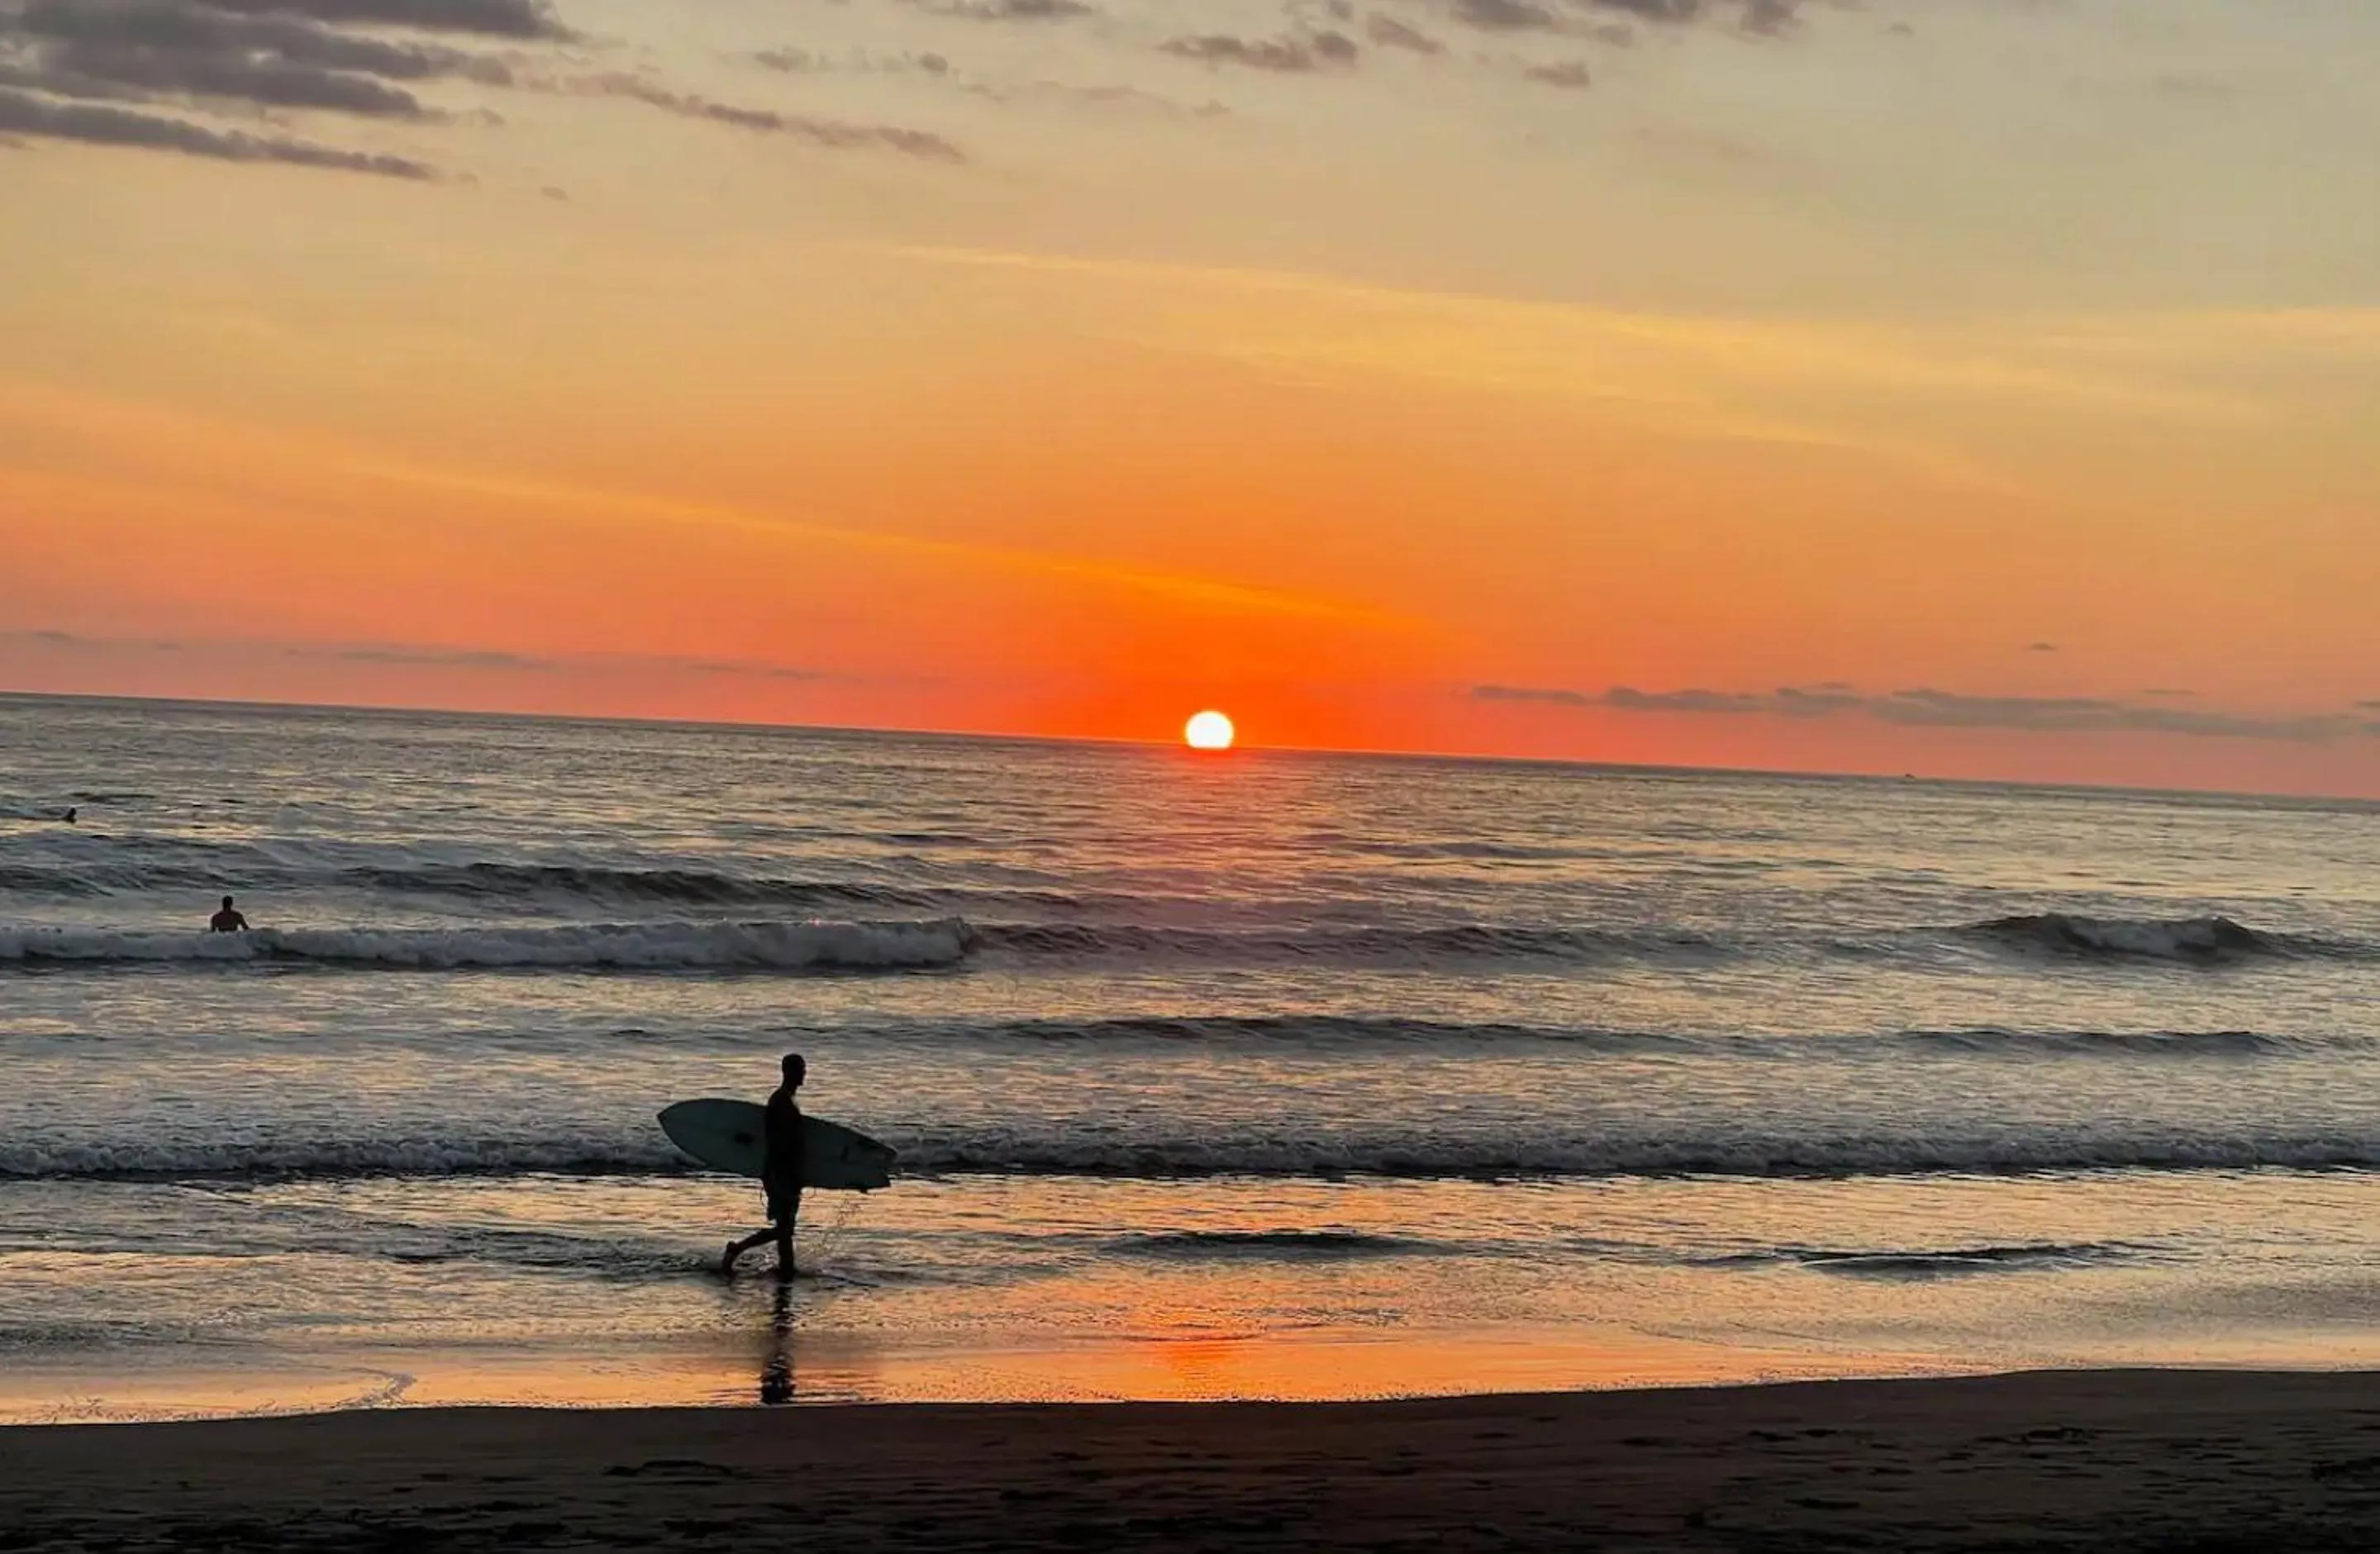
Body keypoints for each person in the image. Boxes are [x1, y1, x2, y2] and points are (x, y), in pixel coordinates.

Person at [721, 1053, 807, 1280]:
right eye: (799, 1069)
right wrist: (779, 1173)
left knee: (786, 1228)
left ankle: (787, 1269)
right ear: (788, 1072)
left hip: (786, 1170)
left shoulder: (787, 1099)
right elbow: (777, 1141)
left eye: (803, 1069)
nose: (804, 1074)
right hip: (780, 1171)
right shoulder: (781, 1101)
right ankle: (737, 1248)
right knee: (785, 1229)